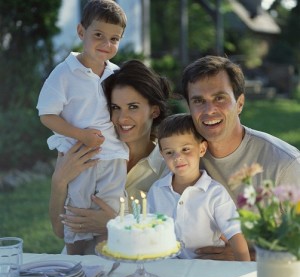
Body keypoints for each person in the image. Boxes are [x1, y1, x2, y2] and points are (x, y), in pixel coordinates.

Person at [181, 55, 300, 260]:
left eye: (220, 98)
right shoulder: (182, 155)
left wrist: (244, 256)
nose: (209, 110)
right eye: (199, 101)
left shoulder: (285, 164)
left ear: (240, 103)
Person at [49, 59, 172, 254]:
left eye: (133, 107)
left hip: (134, 266)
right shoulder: (85, 150)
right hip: (79, 267)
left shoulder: (168, 166)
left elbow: (168, 237)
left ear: (154, 110)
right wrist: (59, 181)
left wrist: (114, 223)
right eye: (115, 107)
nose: (122, 118)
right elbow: (59, 231)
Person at [37, 0, 129, 255]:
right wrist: (81, 135)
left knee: (110, 211)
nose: (106, 44)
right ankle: (74, 260)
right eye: (98, 35)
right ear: (81, 32)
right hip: (81, 156)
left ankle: (103, 262)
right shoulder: (64, 73)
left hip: (113, 156)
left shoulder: (116, 74)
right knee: (77, 211)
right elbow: (47, 114)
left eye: (114, 38)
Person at [147, 113, 250, 261]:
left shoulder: (215, 193)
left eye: (185, 149)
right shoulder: (157, 191)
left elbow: (235, 234)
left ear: (202, 149)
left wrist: (244, 270)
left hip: (207, 268)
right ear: (162, 154)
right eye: (170, 152)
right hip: (169, 268)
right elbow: (149, 232)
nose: (178, 158)